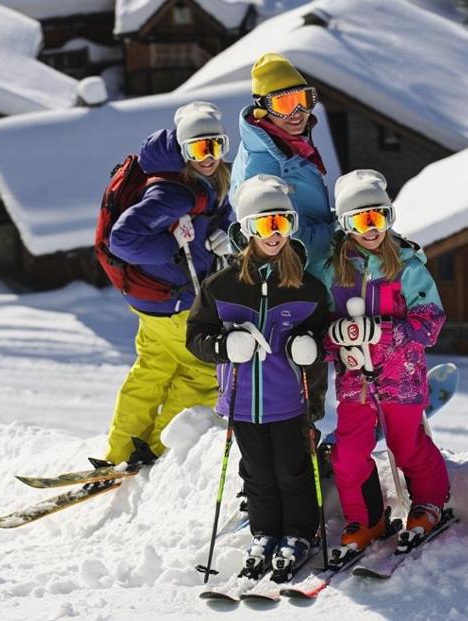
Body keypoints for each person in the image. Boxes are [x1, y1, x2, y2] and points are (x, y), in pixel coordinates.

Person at [186, 174, 329, 578]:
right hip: (242, 403)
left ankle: (300, 533)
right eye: (266, 224)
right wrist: (223, 348)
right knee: (258, 474)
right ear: (247, 229)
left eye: (283, 223)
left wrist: (310, 349)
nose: (275, 234)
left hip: (288, 403)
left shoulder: (308, 289)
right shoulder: (221, 286)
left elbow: (321, 346)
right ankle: (265, 532)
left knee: (292, 470)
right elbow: (195, 336)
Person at [315, 169, 450, 558]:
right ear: (344, 224)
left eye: (379, 217)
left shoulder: (407, 266)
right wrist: (334, 337)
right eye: (360, 220)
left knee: (405, 445)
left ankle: (428, 502)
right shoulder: (331, 272)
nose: (371, 229)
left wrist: (384, 332)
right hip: (355, 378)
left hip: (401, 376)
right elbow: (320, 329)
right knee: (348, 453)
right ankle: (366, 517)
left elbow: (430, 324)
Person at [103, 101, 235, 465]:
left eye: (215, 146)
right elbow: (123, 239)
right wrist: (173, 248)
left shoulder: (199, 179)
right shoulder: (173, 191)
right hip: (177, 304)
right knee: (202, 371)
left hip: (153, 302)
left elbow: (218, 212)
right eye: (198, 148)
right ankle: (157, 451)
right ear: (182, 149)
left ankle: (121, 450)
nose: (208, 157)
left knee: (152, 370)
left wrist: (223, 232)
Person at [229, 51, 334, 427]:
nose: (297, 112)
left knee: (308, 371)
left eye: (304, 100)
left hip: (305, 280)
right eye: (284, 103)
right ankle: (301, 452)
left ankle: (309, 441)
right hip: (291, 287)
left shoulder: (282, 145)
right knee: (301, 375)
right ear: (261, 109)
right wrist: (338, 236)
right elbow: (281, 237)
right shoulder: (267, 164)